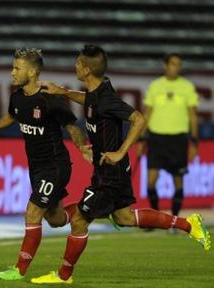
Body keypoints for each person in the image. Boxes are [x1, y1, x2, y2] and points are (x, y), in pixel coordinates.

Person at [34, 44, 211, 285]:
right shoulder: (97, 92)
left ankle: (64, 275)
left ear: (85, 70)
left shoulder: (106, 98)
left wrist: (119, 151)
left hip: (111, 173)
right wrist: (63, 92)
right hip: (108, 170)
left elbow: (139, 119)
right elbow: (88, 100)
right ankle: (188, 224)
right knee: (124, 217)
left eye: (77, 63)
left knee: (79, 220)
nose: (75, 66)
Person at [0, 48, 92, 281]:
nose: (12, 73)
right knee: (56, 219)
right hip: (37, 168)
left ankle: (19, 269)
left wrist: (82, 147)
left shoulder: (49, 99)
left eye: (16, 68)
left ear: (31, 72)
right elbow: (12, 116)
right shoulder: (17, 97)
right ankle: (93, 209)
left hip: (55, 166)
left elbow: (72, 126)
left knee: (32, 213)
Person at [137, 53, 199, 217]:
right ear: (165, 65)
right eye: (173, 64)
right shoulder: (155, 86)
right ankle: (156, 217)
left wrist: (194, 142)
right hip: (156, 139)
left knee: (178, 181)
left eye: (179, 64)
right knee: (150, 182)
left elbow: (193, 115)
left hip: (178, 139)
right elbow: (147, 114)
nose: (176, 67)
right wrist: (141, 139)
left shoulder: (187, 87)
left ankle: (174, 219)